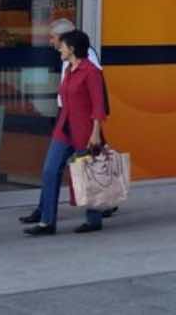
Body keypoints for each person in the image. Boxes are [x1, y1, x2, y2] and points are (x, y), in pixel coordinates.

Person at [19, 20, 116, 225]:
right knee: (51, 169)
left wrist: (96, 130)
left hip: (84, 125)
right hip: (65, 122)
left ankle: (95, 218)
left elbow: (98, 100)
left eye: (55, 39)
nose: (53, 43)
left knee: (89, 170)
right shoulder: (68, 66)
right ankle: (46, 218)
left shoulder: (89, 66)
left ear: (70, 45)